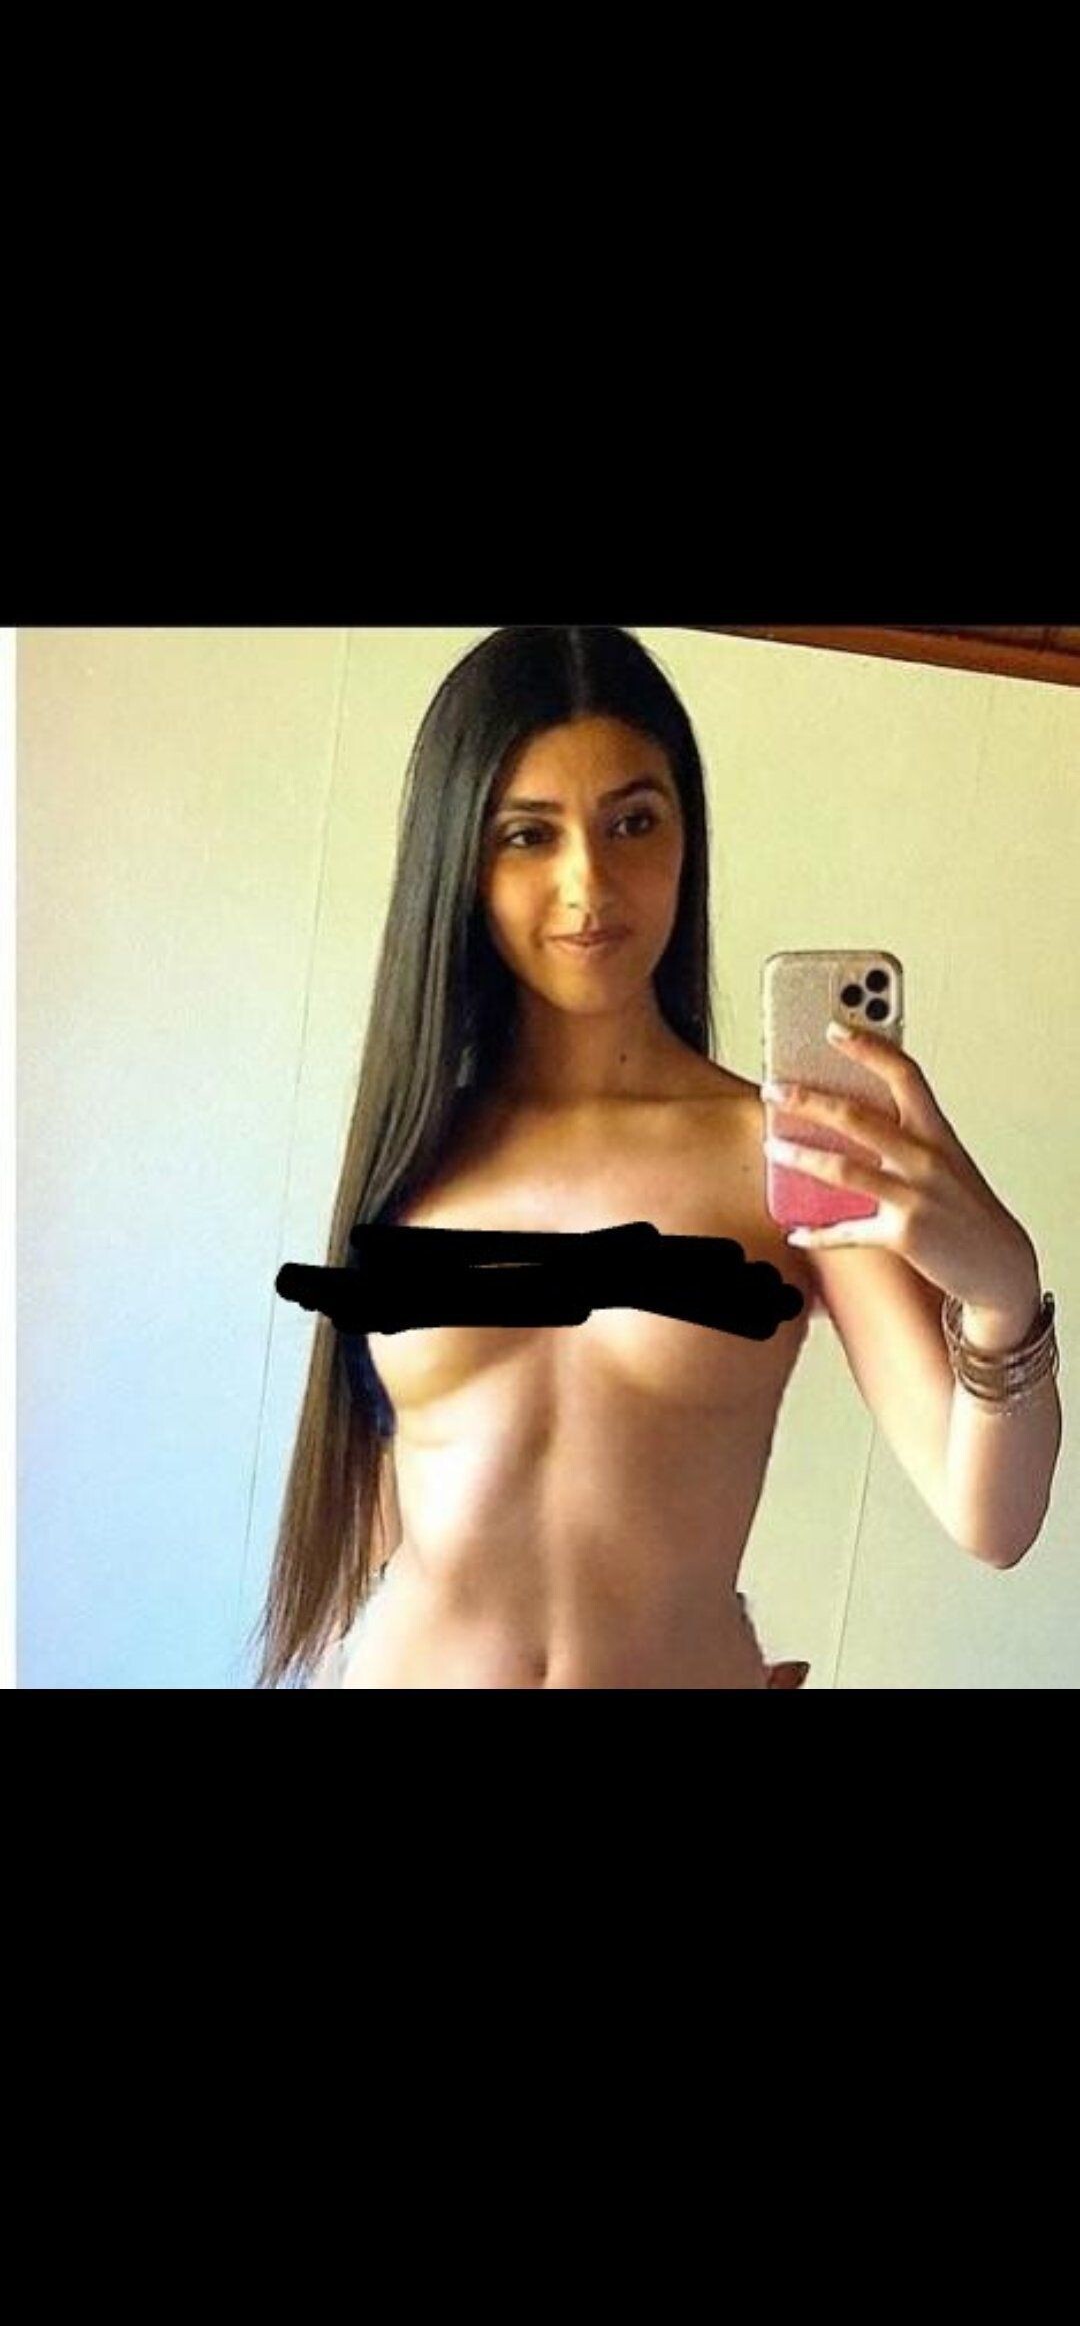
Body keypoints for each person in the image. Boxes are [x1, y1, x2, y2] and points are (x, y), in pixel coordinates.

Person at [251, 627, 818, 1689]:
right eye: (526, 834)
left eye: (632, 821)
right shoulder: (417, 1143)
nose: (587, 883)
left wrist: (998, 1292)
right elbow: (408, 1478)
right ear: (461, 864)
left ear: (686, 835)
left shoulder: (776, 1150)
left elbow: (987, 1502)